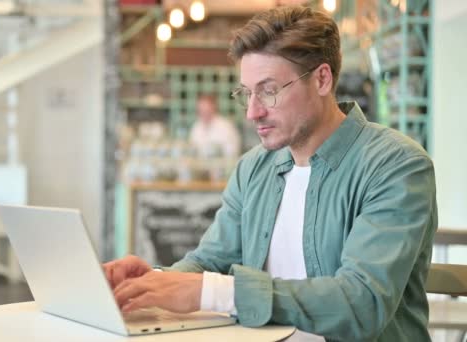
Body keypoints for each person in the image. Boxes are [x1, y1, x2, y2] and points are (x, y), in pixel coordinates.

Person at [104, 6, 437, 341]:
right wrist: (152, 283)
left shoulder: (396, 165)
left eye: (268, 90)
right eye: (247, 93)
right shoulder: (253, 168)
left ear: (322, 79)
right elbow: (210, 262)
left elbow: (363, 302)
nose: (252, 112)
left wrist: (212, 292)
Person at [189, 94, 241, 159]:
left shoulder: (225, 126)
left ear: (213, 108)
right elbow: (192, 150)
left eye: (206, 110)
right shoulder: (196, 126)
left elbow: (232, 152)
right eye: (201, 110)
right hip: (200, 167)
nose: (204, 113)